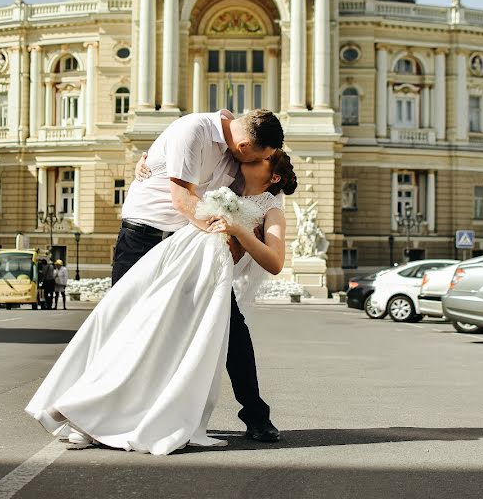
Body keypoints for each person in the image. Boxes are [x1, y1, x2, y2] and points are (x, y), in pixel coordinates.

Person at [25, 149, 296, 455]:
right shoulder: (227, 173)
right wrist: (148, 160)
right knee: (135, 331)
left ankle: (95, 411)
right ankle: (86, 406)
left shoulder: (271, 209)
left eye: (260, 159)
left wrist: (237, 230)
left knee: (180, 348)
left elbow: (274, 262)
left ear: (273, 176)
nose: (248, 157)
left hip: (206, 276)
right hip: (173, 260)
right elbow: (186, 154)